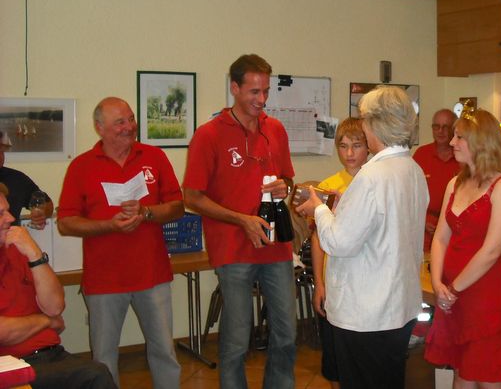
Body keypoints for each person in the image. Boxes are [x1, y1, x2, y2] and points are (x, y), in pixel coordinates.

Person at [298, 85, 428, 389]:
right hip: (398, 305)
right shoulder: (412, 168)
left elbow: (337, 243)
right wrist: (344, 207)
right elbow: (385, 225)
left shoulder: (372, 175)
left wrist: (319, 209)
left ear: (377, 124)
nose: (364, 126)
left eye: (365, 120)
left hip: (367, 313)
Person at [183, 54, 296, 389]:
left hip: (275, 247)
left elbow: (288, 179)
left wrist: (285, 187)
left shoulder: (275, 129)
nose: (262, 100)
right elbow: (192, 197)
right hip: (232, 251)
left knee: (287, 334)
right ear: (234, 88)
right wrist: (241, 220)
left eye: (266, 91)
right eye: (254, 92)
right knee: (236, 339)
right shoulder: (209, 135)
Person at [57, 97, 184, 389]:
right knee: (103, 358)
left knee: (165, 352)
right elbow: (66, 222)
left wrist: (146, 212)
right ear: (99, 128)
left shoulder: (154, 157)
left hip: (152, 274)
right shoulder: (81, 166)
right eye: (119, 122)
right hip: (104, 279)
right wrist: (109, 225)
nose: (129, 127)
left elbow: (177, 207)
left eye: (131, 119)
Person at [424, 109, 501, 388]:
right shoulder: (455, 183)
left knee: (487, 378)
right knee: (461, 374)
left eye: (459, 137)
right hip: (452, 295)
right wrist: (437, 283)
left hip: (483, 295)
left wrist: (453, 290)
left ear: (480, 142)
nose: (451, 142)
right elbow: (440, 238)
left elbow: (492, 250)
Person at [0, 183, 117, 389]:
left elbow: (55, 307)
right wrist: (46, 321)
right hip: (12, 364)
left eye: (8, 211)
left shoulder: (18, 248)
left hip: (51, 354)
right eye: (1, 214)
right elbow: (4, 332)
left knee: (94, 372)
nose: (10, 218)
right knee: (95, 375)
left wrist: (35, 253)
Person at [311, 117, 369, 389]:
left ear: (368, 147)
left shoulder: (374, 182)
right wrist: (319, 283)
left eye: (356, 145)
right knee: (334, 359)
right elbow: (317, 238)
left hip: (365, 283)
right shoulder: (329, 185)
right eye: (343, 146)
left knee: (361, 357)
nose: (349, 153)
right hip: (334, 282)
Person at [413, 109, 460, 252]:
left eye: (445, 127)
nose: (440, 131)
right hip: (424, 235)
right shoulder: (421, 155)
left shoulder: (462, 157)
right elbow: (408, 195)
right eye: (436, 126)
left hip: (454, 234)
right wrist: (423, 220)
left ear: (454, 130)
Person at [0, 130, 53, 228]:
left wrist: (41, 213)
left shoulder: (16, 179)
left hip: (12, 237)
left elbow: (47, 203)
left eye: (1, 151)